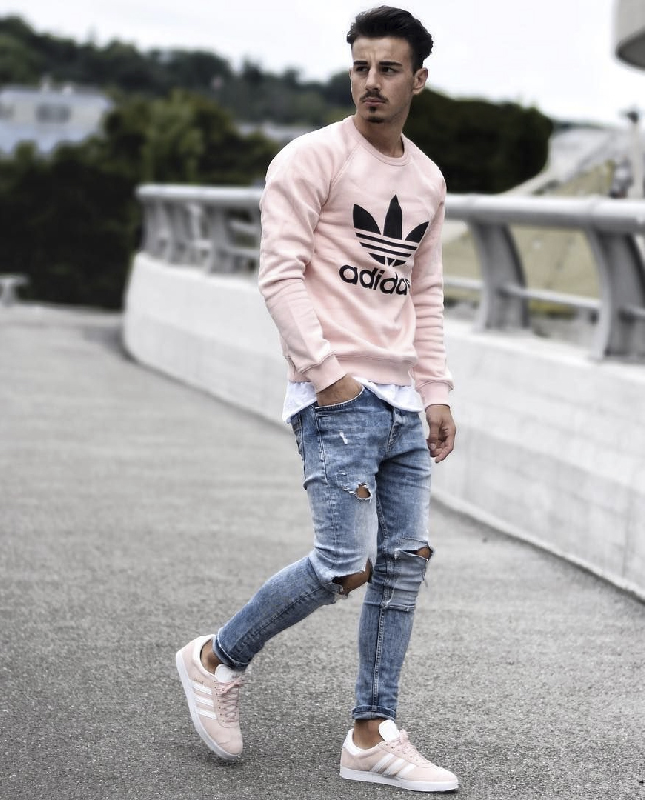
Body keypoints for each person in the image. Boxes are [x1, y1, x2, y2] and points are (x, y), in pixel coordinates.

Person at [176, 6, 458, 793]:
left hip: (405, 401)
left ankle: (372, 734)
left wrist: (436, 391)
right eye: (361, 66)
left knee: (402, 565)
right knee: (343, 565)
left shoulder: (428, 179)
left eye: (389, 69)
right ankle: (216, 659)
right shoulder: (310, 158)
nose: (372, 82)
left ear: (418, 80)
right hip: (339, 395)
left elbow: (424, 293)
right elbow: (279, 275)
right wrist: (328, 375)